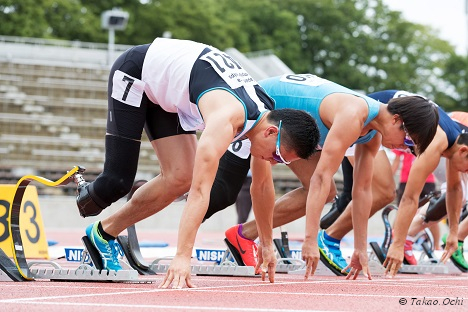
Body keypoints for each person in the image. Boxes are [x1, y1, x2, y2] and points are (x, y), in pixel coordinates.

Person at [73, 38, 321, 288]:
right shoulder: (227, 119)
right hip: (137, 72)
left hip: (171, 93)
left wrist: (266, 244)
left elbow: (263, 188)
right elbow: (200, 192)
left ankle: (102, 234)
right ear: (271, 133)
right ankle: (85, 190)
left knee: (181, 176)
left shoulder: (264, 116)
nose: (275, 162)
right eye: (278, 155)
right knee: (117, 181)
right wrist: (183, 256)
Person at [203, 82, 439, 279]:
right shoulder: (353, 115)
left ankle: (244, 235)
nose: (403, 148)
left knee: (326, 194)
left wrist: (359, 247)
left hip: (293, 127)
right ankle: (214, 238)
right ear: (397, 120)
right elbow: (321, 177)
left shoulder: (372, 133)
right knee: (223, 192)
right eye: (408, 141)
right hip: (264, 106)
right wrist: (310, 240)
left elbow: (363, 190)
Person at [384, 109, 468, 277]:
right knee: (458, 194)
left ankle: (408, 236)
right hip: (449, 145)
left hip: (448, 140)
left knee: (456, 193)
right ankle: (408, 236)